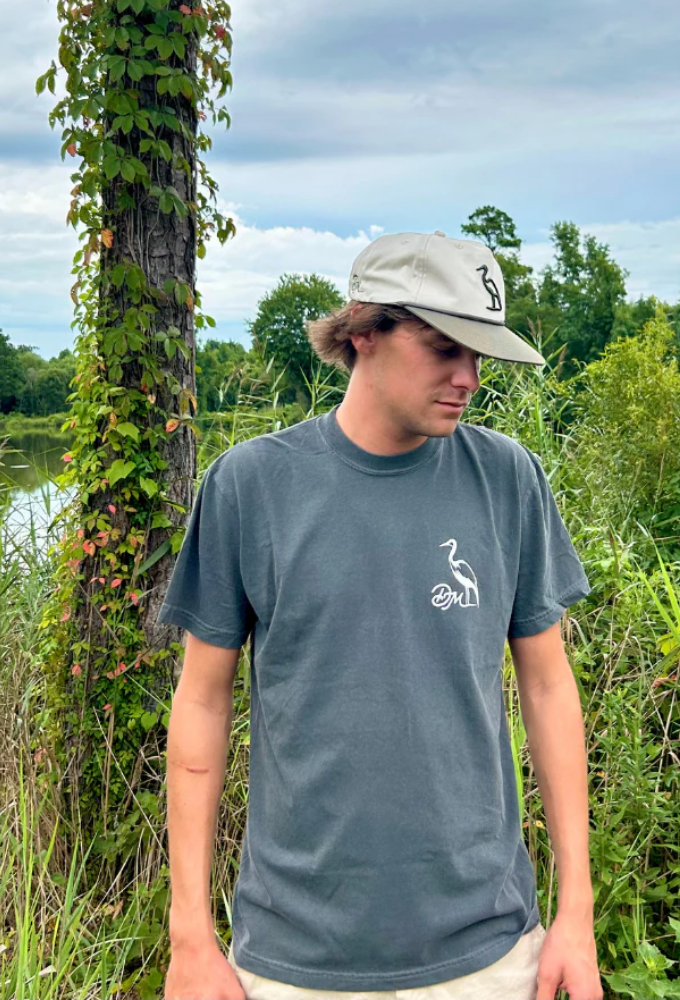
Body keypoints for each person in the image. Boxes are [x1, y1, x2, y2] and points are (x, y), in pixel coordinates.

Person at [160, 230, 603, 1000]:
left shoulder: (507, 479)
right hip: (293, 959)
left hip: (489, 955)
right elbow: (200, 702)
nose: (468, 379)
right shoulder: (251, 486)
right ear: (363, 332)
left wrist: (577, 914)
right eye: (443, 348)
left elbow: (547, 687)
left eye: (479, 356)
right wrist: (190, 935)